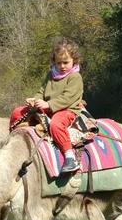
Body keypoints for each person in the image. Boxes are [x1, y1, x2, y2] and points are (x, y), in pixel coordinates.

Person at [9, 38, 85, 173]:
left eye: (66, 62)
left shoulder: (75, 77)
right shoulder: (51, 74)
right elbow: (42, 91)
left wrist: (48, 104)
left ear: (75, 60)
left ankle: (69, 157)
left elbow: (67, 98)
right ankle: (13, 142)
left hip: (67, 109)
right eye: (59, 62)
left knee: (56, 125)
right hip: (48, 107)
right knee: (17, 112)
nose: (62, 66)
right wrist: (35, 100)